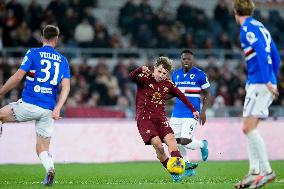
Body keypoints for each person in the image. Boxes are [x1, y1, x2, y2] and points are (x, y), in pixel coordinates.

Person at [0, 25, 70, 187]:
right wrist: (58, 108)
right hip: (48, 110)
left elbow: (18, 77)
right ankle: (50, 169)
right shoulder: (63, 60)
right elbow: (66, 87)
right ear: (56, 40)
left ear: (42, 38)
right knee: (42, 148)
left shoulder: (33, 53)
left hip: (29, 104)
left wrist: (1, 92)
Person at [233, 0, 280, 188]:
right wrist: (273, 79)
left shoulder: (246, 29)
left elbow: (260, 51)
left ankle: (267, 172)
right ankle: (254, 173)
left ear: (235, 11)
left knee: (248, 128)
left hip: (259, 82)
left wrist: (268, 80)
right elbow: (275, 56)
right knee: (249, 128)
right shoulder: (262, 27)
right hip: (262, 82)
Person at [129, 56, 199, 182]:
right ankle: (170, 168)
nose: (161, 75)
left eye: (164, 73)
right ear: (154, 69)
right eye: (159, 71)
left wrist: (193, 109)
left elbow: (181, 95)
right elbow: (131, 76)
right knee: (158, 146)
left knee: (172, 141)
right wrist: (140, 69)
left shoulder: (168, 84)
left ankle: (179, 168)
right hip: (145, 119)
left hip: (160, 118)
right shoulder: (145, 78)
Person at [170, 49, 210, 174]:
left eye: (188, 59)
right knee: (174, 141)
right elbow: (172, 93)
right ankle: (186, 165)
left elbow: (208, 94)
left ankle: (203, 144)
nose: (186, 61)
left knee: (185, 141)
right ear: (181, 60)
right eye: (184, 59)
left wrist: (203, 112)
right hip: (177, 112)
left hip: (192, 113)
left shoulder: (200, 74)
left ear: (192, 61)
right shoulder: (175, 75)